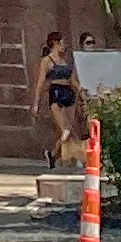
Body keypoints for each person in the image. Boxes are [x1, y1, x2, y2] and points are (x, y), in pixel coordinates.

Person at [33, 27, 86, 163]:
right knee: (65, 129)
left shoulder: (65, 61)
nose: (64, 46)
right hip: (56, 92)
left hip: (68, 91)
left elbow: (72, 79)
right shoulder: (47, 61)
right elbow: (40, 82)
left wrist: (81, 91)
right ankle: (56, 153)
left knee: (69, 127)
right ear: (55, 43)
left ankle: (55, 154)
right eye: (61, 43)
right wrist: (36, 103)